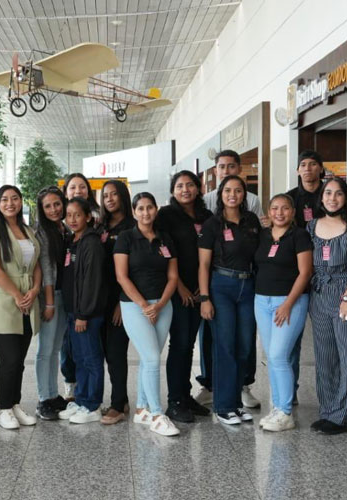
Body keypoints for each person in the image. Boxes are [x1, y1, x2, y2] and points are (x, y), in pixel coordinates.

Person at [200, 150, 262, 409]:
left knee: (245, 344)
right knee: (224, 344)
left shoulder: (252, 220)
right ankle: (224, 404)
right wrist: (204, 297)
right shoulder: (212, 223)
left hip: (247, 287)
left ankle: (237, 398)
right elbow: (203, 263)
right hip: (221, 287)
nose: (233, 195)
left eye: (238, 191)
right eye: (228, 192)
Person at [114, 192, 180, 436]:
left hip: (163, 305)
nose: (145, 212)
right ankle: (156, 414)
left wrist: (160, 304)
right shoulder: (125, 238)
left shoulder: (165, 239)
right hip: (134, 306)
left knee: (148, 358)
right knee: (152, 358)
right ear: (134, 212)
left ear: (156, 209)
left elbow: (173, 276)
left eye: (149, 207)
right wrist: (144, 306)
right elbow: (122, 276)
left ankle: (141, 408)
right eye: (140, 208)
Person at [0, 185, 42, 429]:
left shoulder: (27, 230)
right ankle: (4, 409)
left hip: (28, 297)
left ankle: (14, 404)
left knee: (20, 359)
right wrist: (17, 294)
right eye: (4, 199)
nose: (10, 203)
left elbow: (36, 263)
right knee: (9, 358)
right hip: (4, 300)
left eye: (15, 198)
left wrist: (35, 289)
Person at [306, 177, 347, 435]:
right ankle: (328, 411)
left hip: (346, 296)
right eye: (328, 193)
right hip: (318, 296)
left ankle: (342, 417)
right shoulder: (310, 227)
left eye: (338, 194)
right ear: (321, 197)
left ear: (345, 198)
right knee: (325, 357)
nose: (332, 198)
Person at [156, 170, 212, 422]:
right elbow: (165, 252)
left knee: (189, 344)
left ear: (198, 188)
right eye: (180, 186)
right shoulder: (166, 216)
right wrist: (179, 286)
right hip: (177, 290)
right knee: (178, 344)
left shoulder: (207, 216)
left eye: (190, 185)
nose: (185, 189)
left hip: (200, 289)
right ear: (173, 191)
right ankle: (175, 401)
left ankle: (185, 395)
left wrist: (204, 287)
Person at [253, 195, 313, 432]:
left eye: (285, 208)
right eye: (275, 208)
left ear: (293, 211)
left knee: (279, 355)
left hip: (290, 302)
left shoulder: (299, 236)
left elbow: (305, 273)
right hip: (262, 301)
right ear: (269, 211)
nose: (280, 212)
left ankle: (286, 411)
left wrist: (288, 303)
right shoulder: (264, 235)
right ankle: (277, 408)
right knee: (272, 356)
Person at [56, 197, 106, 424]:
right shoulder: (73, 240)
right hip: (73, 312)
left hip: (86, 314)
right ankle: (83, 400)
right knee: (79, 358)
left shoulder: (91, 243)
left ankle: (92, 405)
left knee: (91, 358)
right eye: (69, 215)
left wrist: (83, 314)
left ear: (88, 217)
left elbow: (92, 281)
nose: (73, 219)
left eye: (78, 215)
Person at [284, 150, 326, 402]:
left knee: (325, 338)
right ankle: (291, 389)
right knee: (292, 339)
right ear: (298, 170)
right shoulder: (290, 198)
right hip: (296, 273)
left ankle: (329, 394)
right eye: (303, 165)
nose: (308, 169)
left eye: (313, 164)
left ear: (321, 168)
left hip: (326, 272)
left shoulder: (331, 193)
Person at [97, 180, 135, 424]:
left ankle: (117, 404)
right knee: (104, 352)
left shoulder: (133, 227)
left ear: (123, 196)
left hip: (122, 298)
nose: (110, 199)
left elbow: (136, 269)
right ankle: (120, 399)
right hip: (99, 298)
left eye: (114, 194)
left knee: (116, 352)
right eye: (106, 195)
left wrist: (124, 302)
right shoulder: (100, 226)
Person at [59, 173, 99, 401]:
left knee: (89, 352)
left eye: (82, 187)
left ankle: (89, 397)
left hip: (87, 304)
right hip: (70, 301)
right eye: (72, 187)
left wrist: (84, 311)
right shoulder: (66, 229)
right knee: (71, 348)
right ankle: (75, 387)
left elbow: (91, 276)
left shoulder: (93, 231)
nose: (77, 190)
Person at [33, 186, 70, 420]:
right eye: (48, 206)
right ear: (41, 209)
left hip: (63, 294)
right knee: (45, 350)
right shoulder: (42, 232)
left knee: (56, 348)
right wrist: (48, 302)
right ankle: (43, 398)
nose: (54, 209)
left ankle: (53, 393)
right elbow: (46, 267)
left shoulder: (63, 228)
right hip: (50, 295)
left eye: (57, 204)